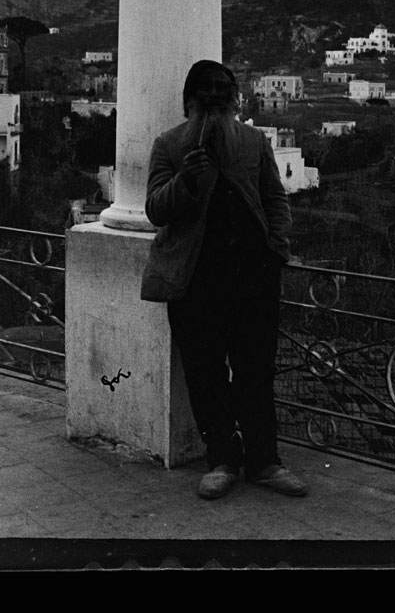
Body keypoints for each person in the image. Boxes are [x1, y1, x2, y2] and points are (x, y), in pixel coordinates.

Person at [140, 59, 307, 501]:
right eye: (206, 90)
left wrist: (276, 248)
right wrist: (186, 180)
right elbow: (156, 208)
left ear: (234, 99)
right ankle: (222, 461)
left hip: (254, 278)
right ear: (189, 101)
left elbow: (275, 198)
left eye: (222, 89)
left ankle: (265, 462)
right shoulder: (169, 146)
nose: (215, 97)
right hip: (195, 281)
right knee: (206, 374)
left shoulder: (253, 141)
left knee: (256, 371)